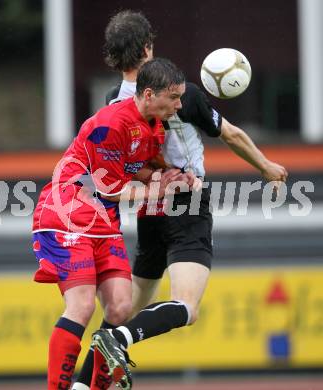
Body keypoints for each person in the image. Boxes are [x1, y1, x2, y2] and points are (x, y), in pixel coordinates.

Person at [72, 10, 288, 390]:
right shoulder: (180, 93)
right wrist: (267, 166)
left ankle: (80, 384)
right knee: (186, 307)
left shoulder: (113, 102)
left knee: (126, 310)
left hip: (149, 208)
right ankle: (119, 342)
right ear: (147, 48)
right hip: (187, 203)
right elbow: (232, 135)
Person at [31, 57, 196, 390]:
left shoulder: (153, 128)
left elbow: (134, 169)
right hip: (68, 212)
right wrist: (159, 188)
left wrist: (170, 175)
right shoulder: (111, 123)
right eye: (174, 98)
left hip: (103, 221)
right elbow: (109, 187)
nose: (179, 105)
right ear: (149, 94)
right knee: (82, 305)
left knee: (120, 308)